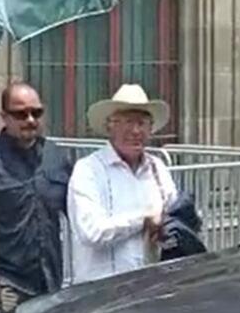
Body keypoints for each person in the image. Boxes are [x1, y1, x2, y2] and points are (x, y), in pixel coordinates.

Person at [0, 83, 71, 310]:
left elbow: (76, 213)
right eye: (20, 114)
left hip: (50, 283)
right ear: (4, 117)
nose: (30, 120)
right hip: (7, 285)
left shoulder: (56, 157)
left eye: (36, 112)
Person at [68, 84, 178, 284]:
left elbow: (173, 217)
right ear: (110, 125)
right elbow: (91, 232)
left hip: (149, 286)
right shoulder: (88, 170)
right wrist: (144, 220)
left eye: (142, 123)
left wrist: (165, 228)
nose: (136, 131)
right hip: (101, 292)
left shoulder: (158, 169)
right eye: (128, 122)